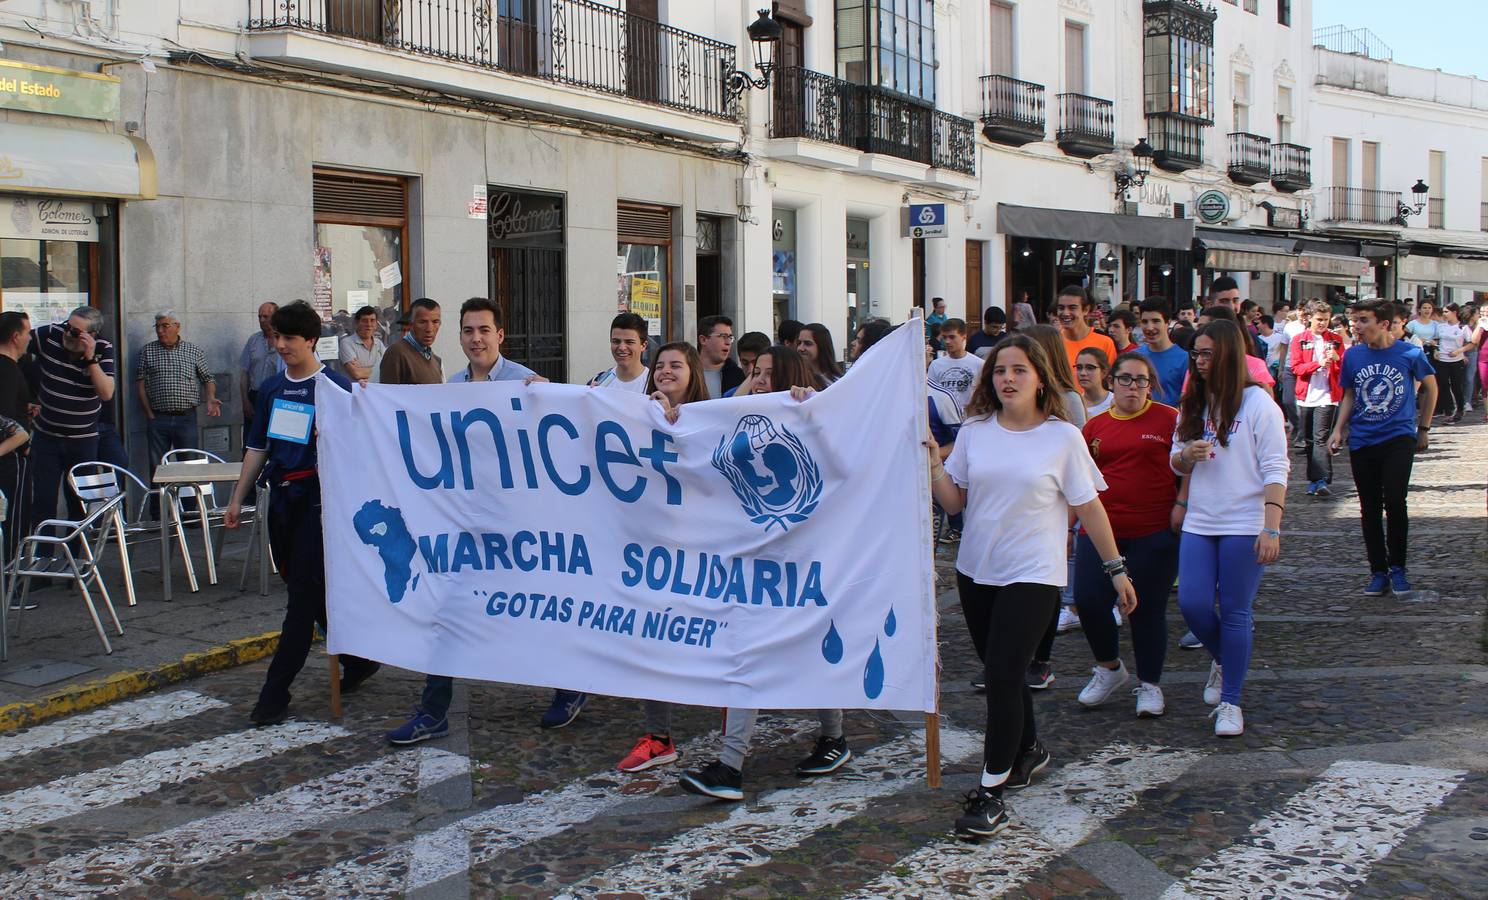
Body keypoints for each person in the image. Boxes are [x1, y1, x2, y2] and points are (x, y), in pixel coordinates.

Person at [928, 334, 1135, 839]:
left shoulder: (1061, 437)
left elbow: (1089, 507)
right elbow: (953, 503)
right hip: (977, 572)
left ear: (1040, 377)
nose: (1008, 379)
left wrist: (1115, 569)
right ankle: (1030, 751)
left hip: (1035, 574)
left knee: (1002, 676)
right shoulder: (976, 431)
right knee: (1006, 672)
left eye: (1019, 370)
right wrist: (932, 459)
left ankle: (990, 794)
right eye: (1000, 371)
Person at [677, 345, 848, 798]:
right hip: (755, 565)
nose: (761, 380)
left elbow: (844, 466)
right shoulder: (737, 416)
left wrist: (811, 412)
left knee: (813, 646)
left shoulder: (810, 415)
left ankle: (833, 736)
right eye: (756, 372)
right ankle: (730, 764)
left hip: (805, 560)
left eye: (770, 373)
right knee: (745, 653)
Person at [387, 298, 541, 746]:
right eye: (468, 331)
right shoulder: (451, 385)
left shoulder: (522, 382)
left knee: (535, 610)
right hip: (464, 525)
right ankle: (433, 711)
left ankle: (571, 687)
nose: (476, 338)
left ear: (500, 335)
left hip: (514, 524)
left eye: (484, 330)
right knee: (448, 611)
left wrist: (547, 398)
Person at [224, 301, 380, 726]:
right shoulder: (272, 388)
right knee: (306, 589)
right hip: (282, 499)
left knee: (300, 601)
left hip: (320, 502)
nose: (281, 346)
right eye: (277, 337)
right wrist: (238, 497)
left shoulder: (335, 387)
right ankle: (358, 659)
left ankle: (274, 693)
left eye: (290, 338)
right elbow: (258, 447)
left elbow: (365, 448)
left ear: (311, 340)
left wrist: (331, 437)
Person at [1170, 320, 1288, 738]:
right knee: (1193, 604)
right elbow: (1174, 461)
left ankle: (1230, 701)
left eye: (1206, 354)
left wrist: (1270, 527)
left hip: (1245, 520)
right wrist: (1186, 455)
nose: (1199, 362)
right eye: (1195, 354)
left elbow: (1276, 467)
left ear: (1227, 355)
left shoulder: (1258, 405)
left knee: (1236, 610)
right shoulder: (1193, 405)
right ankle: (1225, 658)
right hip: (1202, 519)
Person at [1074, 352, 1181, 717]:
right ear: (1111, 382)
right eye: (1126, 379)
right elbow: (1080, 480)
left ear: (1150, 384)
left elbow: (1185, 471)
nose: (1133, 387)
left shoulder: (1170, 420)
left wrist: (1181, 507)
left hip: (1153, 531)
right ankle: (1109, 668)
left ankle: (1150, 684)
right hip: (1100, 531)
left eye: (1141, 380)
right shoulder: (1095, 426)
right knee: (1088, 601)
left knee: (1147, 610)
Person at [1328, 300, 1438, 597]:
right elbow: (1349, 394)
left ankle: (1398, 568)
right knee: (1369, 508)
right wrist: (1338, 429)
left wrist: (1423, 429)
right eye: (1355, 321)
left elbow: (1431, 387)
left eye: (1364, 320)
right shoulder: (1353, 356)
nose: (1357, 327)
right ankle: (1378, 571)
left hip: (1398, 438)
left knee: (1395, 501)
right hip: (1363, 440)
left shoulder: (1410, 353)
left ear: (1385, 324)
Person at [1021, 325, 1087, 675]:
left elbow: (1076, 465)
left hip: (1055, 506)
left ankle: (1040, 659)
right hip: (1026, 504)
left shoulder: (1068, 400)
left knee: (1046, 586)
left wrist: (1071, 522)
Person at [29, 307, 116, 527]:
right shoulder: (50, 335)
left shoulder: (103, 349)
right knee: (43, 501)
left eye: (76, 332)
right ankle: (42, 557)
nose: (68, 333)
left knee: (79, 503)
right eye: (68, 326)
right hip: (46, 436)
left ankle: (76, 558)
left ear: (91, 336)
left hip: (82, 440)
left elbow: (106, 393)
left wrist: (90, 360)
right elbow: (14, 347)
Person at [135, 310, 222, 468]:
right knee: (157, 468)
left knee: (189, 465)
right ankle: (159, 494)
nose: (160, 331)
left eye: (165, 326)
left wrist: (210, 398)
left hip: (186, 418)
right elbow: (140, 383)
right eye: (157, 327)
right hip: (158, 418)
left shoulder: (193, 351)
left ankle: (189, 493)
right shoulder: (148, 351)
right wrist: (149, 413)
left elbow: (207, 378)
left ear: (177, 327)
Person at [1288, 300, 1344, 497]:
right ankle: (1313, 479)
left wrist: (1337, 359)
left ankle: (1322, 479)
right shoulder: (1299, 340)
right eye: (1319, 319)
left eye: (1326, 320)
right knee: (1309, 440)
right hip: (1306, 395)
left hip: (1328, 395)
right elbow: (1296, 368)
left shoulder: (1336, 339)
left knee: (1320, 438)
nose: (1322, 323)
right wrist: (1317, 364)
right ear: (1310, 318)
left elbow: (1342, 368)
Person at [1195, 307, 1275, 389]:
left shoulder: (1255, 365)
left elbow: (1265, 396)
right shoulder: (1195, 365)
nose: (1198, 332)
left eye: (1203, 327)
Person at [1053, 286, 1118, 383]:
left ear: (1086, 310)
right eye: (1061, 308)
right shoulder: (1054, 342)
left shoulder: (1105, 342)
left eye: (1072, 308)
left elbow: (1111, 381)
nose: (1065, 313)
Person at [239, 301, 284, 428]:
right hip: (255, 396)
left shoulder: (284, 340)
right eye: (259, 317)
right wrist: (245, 402)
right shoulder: (253, 340)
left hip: (277, 396)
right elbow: (244, 373)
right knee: (251, 439)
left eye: (265, 317)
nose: (262, 320)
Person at [379, 297, 444, 385]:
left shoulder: (436, 360)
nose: (429, 329)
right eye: (422, 322)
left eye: (435, 322)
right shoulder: (396, 353)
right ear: (411, 324)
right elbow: (387, 395)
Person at [1137, 299, 1189, 406]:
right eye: (1145, 322)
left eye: (1156, 321)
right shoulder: (1134, 357)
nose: (1149, 328)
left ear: (1168, 322)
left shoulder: (1185, 359)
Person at [928, 318, 984, 413]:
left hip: (970, 418)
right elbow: (931, 395)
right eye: (944, 337)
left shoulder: (979, 364)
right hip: (945, 419)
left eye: (952, 337)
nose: (947, 341)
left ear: (963, 337)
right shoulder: (936, 365)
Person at [588, 312, 651, 394]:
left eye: (629, 342)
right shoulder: (599, 381)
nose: (622, 348)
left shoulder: (654, 383)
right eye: (616, 341)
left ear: (643, 345)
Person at [1209, 276, 1267, 359]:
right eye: (1224, 301)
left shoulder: (1250, 337)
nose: (1231, 306)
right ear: (1211, 305)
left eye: (1235, 300)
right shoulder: (1203, 334)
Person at [1432, 304, 1468, 423]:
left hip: (1456, 360)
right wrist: (1436, 349)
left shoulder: (1463, 327)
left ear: (1455, 312)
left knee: (1456, 385)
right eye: (1443, 311)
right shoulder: (1440, 326)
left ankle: (1460, 408)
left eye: (1447, 311)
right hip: (1442, 359)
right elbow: (1437, 340)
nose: (1444, 314)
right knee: (1443, 384)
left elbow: (1472, 342)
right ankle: (1449, 410)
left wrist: (1460, 351)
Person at [696, 314, 745, 399]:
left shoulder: (739, 376)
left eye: (730, 337)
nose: (728, 342)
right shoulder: (686, 373)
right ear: (703, 340)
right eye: (723, 336)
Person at [338, 305, 385, 384]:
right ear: (357, 323)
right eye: (365, 320)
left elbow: (388, 370)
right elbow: (357, 373)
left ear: (376, 324)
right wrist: (379, 370)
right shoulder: (346, 343)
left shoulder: (379, 343)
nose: (369, 324)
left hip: (376, 392)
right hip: (355, 393)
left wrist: (363, 369)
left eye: (372, 320)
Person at [727, 331, 771, 396]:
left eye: (756, 363)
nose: (750, 370)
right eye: (745, 363)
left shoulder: (785, 393)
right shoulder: (729, 395)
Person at [1075, 347, 1113, 416]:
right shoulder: (1074, 405)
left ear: (1104, 373)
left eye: (1090, 368)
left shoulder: (1115, 403)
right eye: (1079, 367)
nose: (1082, 373)